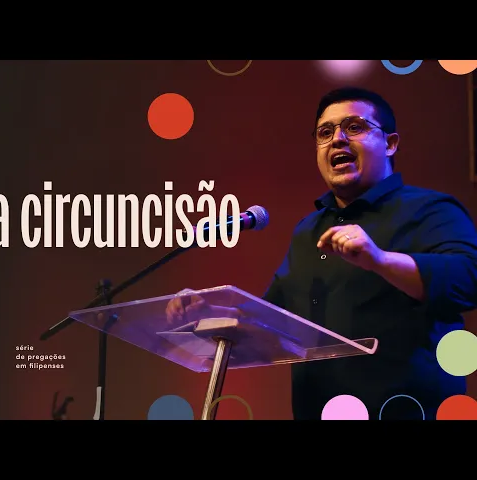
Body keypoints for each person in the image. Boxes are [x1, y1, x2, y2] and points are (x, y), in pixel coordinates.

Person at [166, 86, 477, 420]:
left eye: (354, 127)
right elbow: (271, 319)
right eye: (325, 133)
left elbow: (468, 282)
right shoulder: (308, 231)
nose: (337, 139)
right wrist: (208, 310)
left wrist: (380, 260)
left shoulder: (431, 210)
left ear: (390, 143)